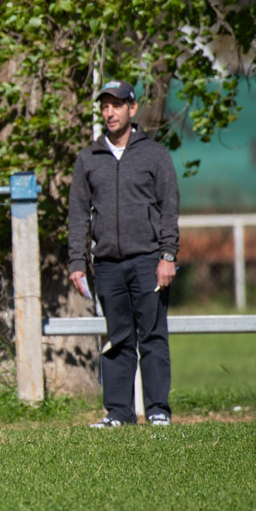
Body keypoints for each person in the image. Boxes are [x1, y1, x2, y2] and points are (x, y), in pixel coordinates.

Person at [67, 80, 179, 427]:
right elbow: (77, 213)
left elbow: (168, 208)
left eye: (117, 105)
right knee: (117, 339)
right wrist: (76, 262)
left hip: (149, 260)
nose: (109, 112)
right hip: (108, 265)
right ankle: (118, 413)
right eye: (105, 105)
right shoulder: (88, 158)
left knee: (153, 336)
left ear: (133, 108)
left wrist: (168, 256)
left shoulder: (155, 155)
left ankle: (157, 409)